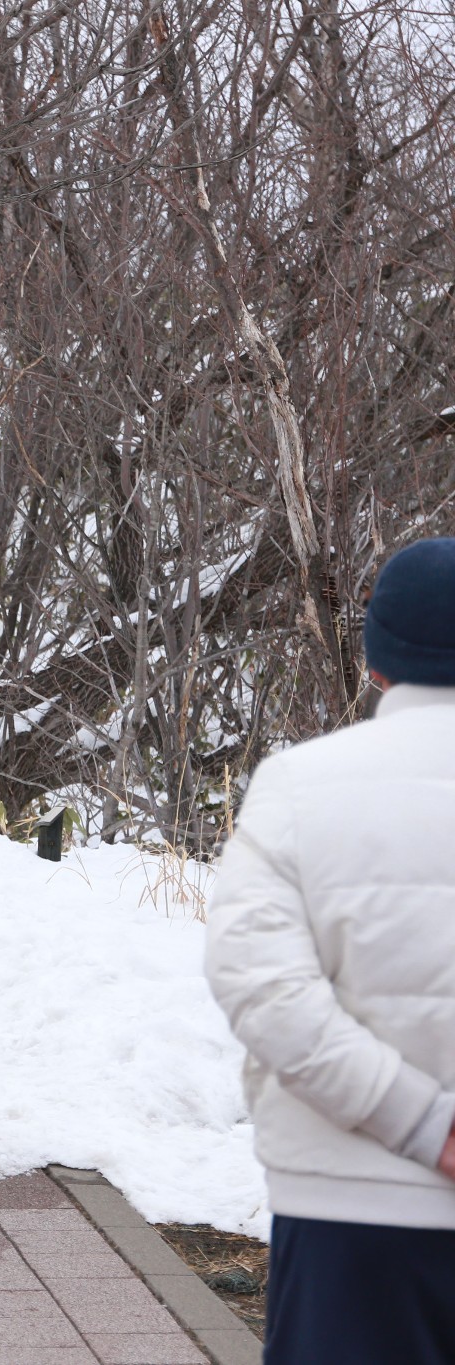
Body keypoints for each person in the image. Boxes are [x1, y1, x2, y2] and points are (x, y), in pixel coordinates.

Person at [206, 537, 455, 1364]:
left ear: (376, 659)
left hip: (349, 1210)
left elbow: (262, 985)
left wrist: (424, 1123)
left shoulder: (298, 784)